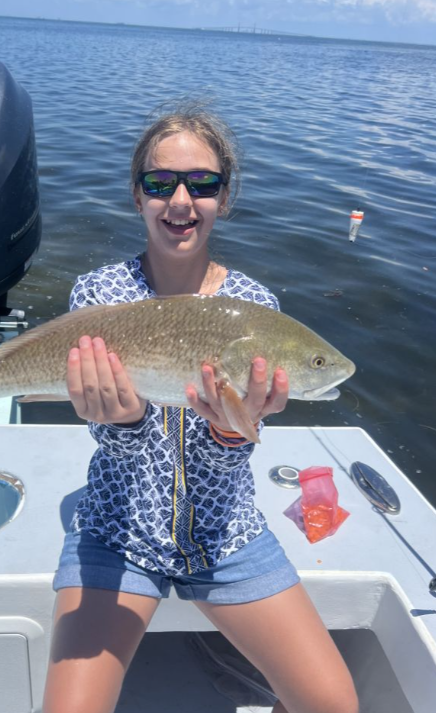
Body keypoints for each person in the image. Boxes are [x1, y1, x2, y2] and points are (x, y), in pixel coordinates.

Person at [42, 104, 359, 713]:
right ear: (137, 197)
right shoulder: (98, 295)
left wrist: (233, 431)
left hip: (225, 532)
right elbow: (115, 445)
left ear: (224, 196)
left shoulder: (254, 305)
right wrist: (127, 422)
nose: (181, 200)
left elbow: (224, 465)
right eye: (160, 183)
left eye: (203, 183)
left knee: (334, 704)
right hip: (117, 527)